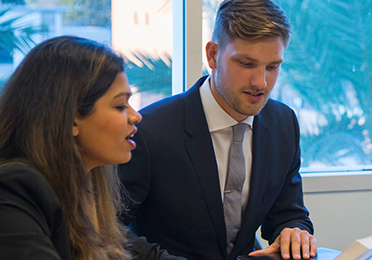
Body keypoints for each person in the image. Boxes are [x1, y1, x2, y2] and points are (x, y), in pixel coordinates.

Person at [118, 0, 316, 259]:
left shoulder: (283, 123)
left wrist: (294, 232)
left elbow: (289, 213)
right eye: (246, 63)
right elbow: (107, 228)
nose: (261, 82)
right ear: (212, 54)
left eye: (272, 66)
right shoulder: (150, 131)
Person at [0, 36, 182, 259]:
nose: (136, 116)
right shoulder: (4, 190)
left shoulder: (82, 192)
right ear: (72, 118)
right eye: (120, 105)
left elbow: (148, 256)